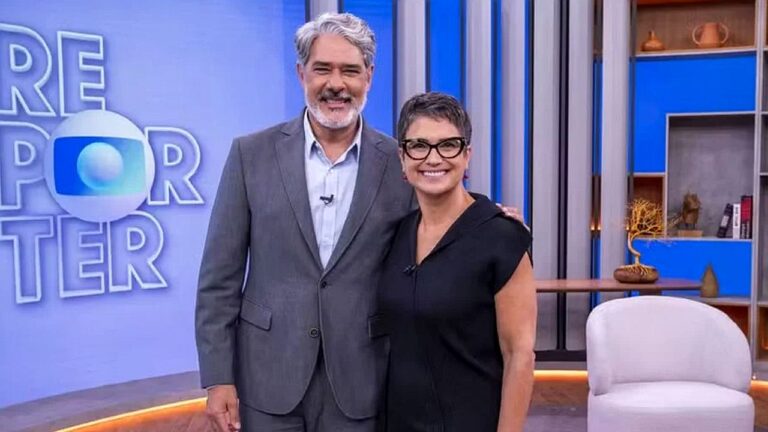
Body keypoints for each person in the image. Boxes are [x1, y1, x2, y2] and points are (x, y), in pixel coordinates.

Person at [195, 12, 412, 432]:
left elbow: (438, 232)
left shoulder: (400, 162)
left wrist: (491, 220)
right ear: (301, 74)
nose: (336, 84)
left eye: (350, 70)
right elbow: (218, 279)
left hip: (362, 377)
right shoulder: (249, 155)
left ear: (369, 76)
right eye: (322, 69)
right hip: (265, 377)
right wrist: (218, 376)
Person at [377, 92, 537, 432]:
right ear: (403, 159)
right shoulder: (396, 235)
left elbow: (519, 357)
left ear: (467, 156)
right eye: (418, 146)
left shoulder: (503, 238)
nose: (433, 158)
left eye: (448, 145)